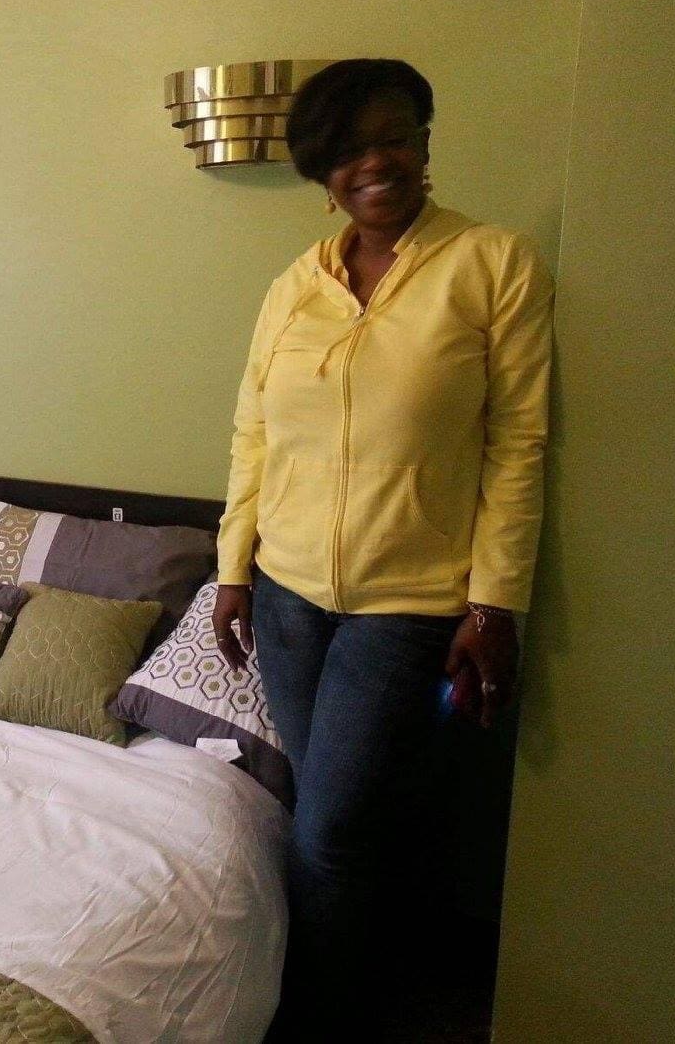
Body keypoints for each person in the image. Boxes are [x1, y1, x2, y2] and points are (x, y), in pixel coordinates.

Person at [211, 59, 553, 1038]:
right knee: (341, 826)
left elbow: (516, 445)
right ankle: (371, 990)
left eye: (395, 135)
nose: (377, 161)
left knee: (325, 834)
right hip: (283, 597)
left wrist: (495, 606)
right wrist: (231, 568)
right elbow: (250, 434)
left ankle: (314, 1017)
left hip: (405, 607)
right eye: (352, 146)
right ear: (323, 172)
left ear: (423, 143)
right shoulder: (291, 288)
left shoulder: (492, 264)